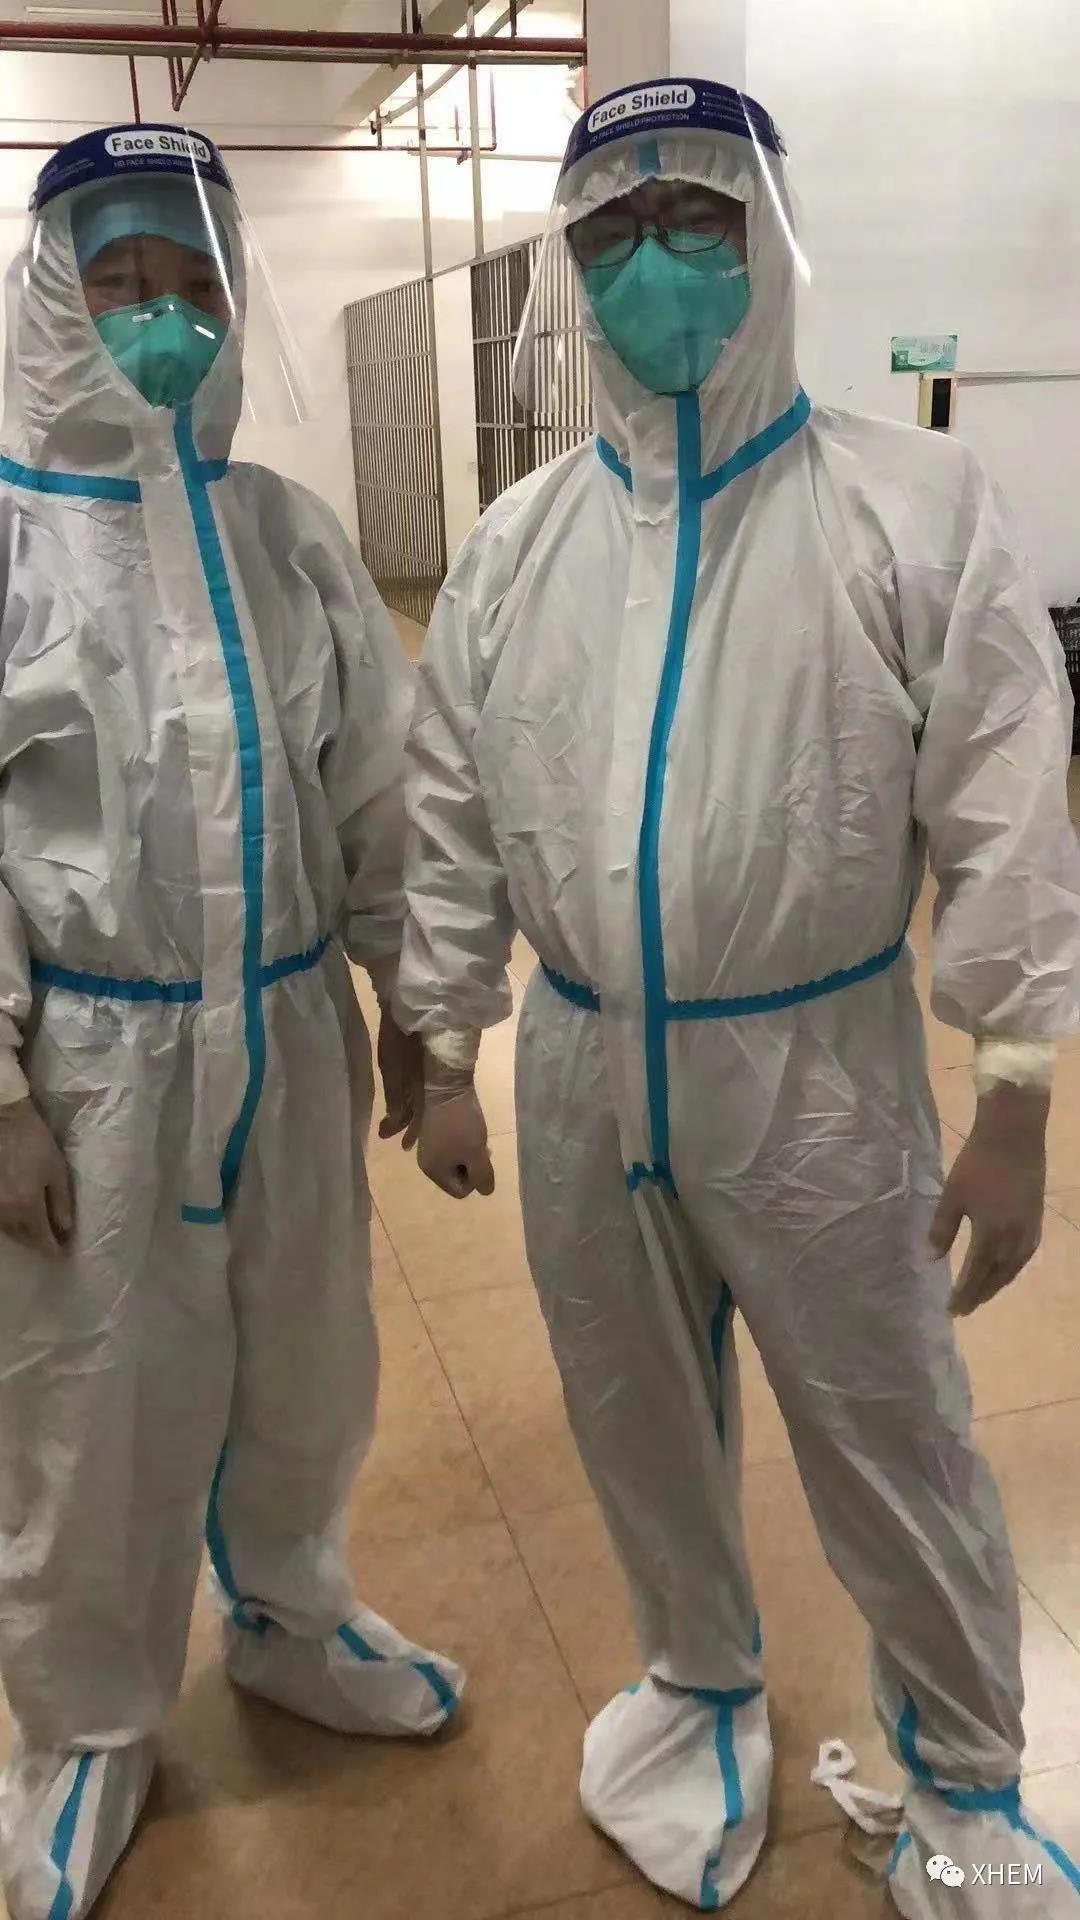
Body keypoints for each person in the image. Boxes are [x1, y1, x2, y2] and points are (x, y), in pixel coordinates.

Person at [395, 77, 1080, 1918]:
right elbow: (451, 804)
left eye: (695, 221)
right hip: (581, 1068)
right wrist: (445, 1042)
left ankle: (968, 1782)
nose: (656, 267)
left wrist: (1016, 1090)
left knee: (888, 1427)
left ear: (768, 239)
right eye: (613, 235)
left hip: (819, 1071)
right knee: (632, 1411)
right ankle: (695, 1692)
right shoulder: (519, 544)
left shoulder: (909, 505)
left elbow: (1008, 800)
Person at [0, 124, 461, 1920]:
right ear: (51, 299)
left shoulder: (282, 530)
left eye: (195, 284)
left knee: (307, 1355)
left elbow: (376, 787)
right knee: (92, 1401)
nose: (163, 317)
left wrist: (411, 1003)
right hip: (90, 1068)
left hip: (286, 1031)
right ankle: (86, 1726)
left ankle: (292, 1612)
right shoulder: (12, 537)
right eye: (119, 281)